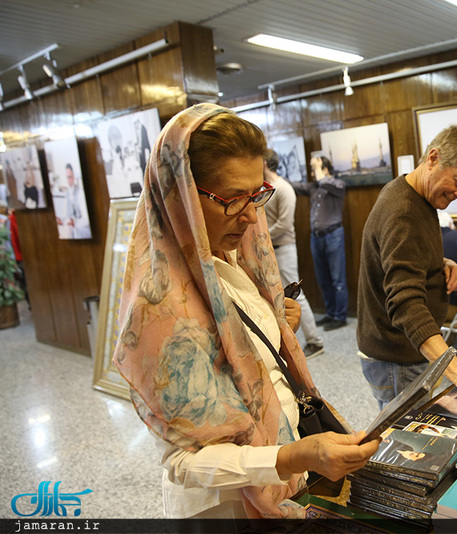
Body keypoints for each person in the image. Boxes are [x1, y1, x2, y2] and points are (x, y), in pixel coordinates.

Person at [112, 103, 379, 520]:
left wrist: (274, 328)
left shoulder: (236, 259)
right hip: (226, 506)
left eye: (257, 194)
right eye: (233, 199)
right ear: (180, 196)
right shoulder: (159, 305)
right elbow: (184, 462)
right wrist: (291, 456)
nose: (252, 215)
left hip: (283, 476)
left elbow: (249, 357)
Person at [357, 124, 457, 430]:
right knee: (408, 444)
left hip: (406, 352)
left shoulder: (415, 196)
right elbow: (406, 305)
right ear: (433, 157)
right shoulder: (402, 211)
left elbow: (396, 255)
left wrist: (440, 261)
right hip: (397, 357)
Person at [263, 150, 325, 358]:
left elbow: (284, 224)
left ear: (264, 163)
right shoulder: (264, 188)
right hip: (269, 249)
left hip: (283, 249)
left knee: (296, 295)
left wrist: (260, 238)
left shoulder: (283, 188)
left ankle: (315, 342)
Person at [291, 153, 348, 330]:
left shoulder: (338, 184)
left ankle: (340, 317)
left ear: (324, 169)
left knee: (338, 280)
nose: (313, 173)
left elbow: (327, 183)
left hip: (334, 236)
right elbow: (293, 186)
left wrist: (318, 169)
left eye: (315, 168)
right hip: (316, 238)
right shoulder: (313, 187)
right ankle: (330, 313)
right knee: (323, 279)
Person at [59, 163, 92, 239]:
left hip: (82, 228)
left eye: (70, 177)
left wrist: (75, 222)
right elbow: (65, 215)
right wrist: (61, 220)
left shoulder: (80, 193)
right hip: (70, 228)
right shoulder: (66, 195)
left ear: (73, 177)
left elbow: (87, 219)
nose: (68, 180)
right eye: (66, 178)